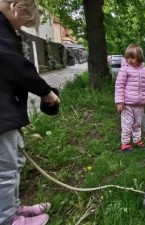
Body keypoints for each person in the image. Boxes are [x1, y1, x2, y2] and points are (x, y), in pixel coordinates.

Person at [0, 0, 60, 224]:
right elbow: (16, 65)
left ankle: (13, 210)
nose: (20, 28)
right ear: (17, 6)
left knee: (11, 164)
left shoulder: (4, 28)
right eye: (23, 22)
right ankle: (8, 220)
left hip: (5, 114)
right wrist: (46, 93)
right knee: (4, 172)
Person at [114, 44, 145, 152]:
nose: (130, 60)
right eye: (128, 57)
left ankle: (137, 141)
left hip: (140, 104)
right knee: (127, 124)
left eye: (132, 58)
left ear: (140, 57)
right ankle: (125, 144)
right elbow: (119, 86)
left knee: (137, 124)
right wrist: (119, 102)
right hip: (127, 104)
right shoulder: (124, 70)